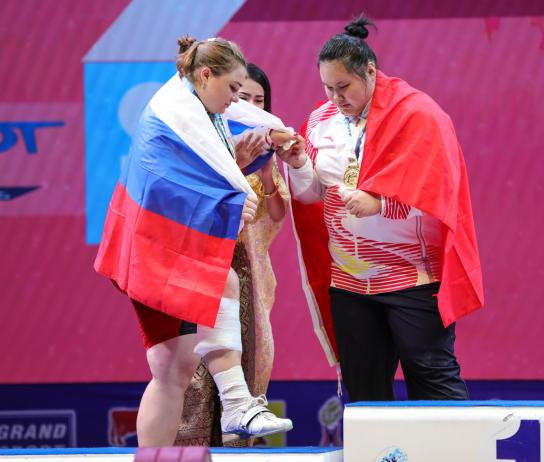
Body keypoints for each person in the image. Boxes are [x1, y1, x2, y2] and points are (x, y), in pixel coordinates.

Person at [94, 35, 295, 447]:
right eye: (233, 90)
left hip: (161, 248)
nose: (236, 100)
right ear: (205, 75)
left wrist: (269, 143)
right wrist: (237, 191)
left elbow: (214, 166)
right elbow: (174, 186)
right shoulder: (174, 117)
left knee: (173, 369)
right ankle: (238, 404)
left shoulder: (202, 113)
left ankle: (198, 431)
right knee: (221, 291)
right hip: (149, 248)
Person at [278, 16, 484, 402]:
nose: (336, 98)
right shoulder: (320, 120)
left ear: (370, 71)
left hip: (412, 279)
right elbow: (311, 197)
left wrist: (380, 203)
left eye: (344, 86)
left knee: (434, 383)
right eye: (327, 88)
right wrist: (298, 164)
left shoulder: (417, 114)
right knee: (364, 397)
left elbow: (439, 193)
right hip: (350, 283)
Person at [176, 63, 291, 447]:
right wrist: (238, 163)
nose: (251, 106)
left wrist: (270, 168)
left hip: (252, 275)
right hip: (205, 265)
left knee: (250, 363)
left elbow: (275, 215)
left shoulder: (265, 148)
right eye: (243, 97)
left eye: (260, 101)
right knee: (187, 373)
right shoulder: (206, 142)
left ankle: (239, 440)